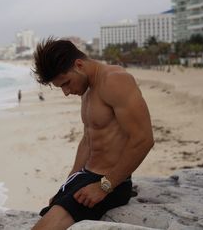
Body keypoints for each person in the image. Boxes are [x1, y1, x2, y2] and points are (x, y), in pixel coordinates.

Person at [31, 37, 154, 230]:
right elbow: (88, 140)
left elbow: (143, 139)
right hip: (86, 176)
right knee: (47, 214)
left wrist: (105, 186)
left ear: (78, 65)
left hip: (113, 184)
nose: (66, 92)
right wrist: (69, 182)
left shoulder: (115, 80)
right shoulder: (87, 88)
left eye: (66, 83)